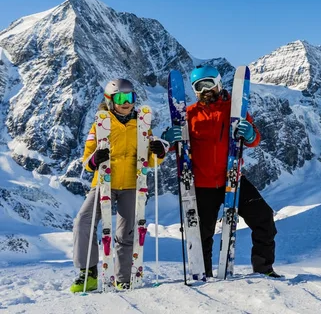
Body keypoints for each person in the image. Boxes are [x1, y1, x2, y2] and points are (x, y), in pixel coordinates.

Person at [163, 65, 280, 278]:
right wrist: (169, 139)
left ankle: (263, 269)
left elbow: (254, 141)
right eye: (200, 86)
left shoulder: (234, 110)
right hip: (202, 184)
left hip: (232, 179)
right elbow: (173, 145)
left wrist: (251, 134)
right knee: (202, 234)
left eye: (209, 84)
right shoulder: (189, 114)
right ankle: (203, 274)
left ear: (219, 83)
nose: (206, 90)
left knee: (264, 218)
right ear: (195, 90)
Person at [70, 79, 166, 292]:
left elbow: (150, 160)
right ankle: (89, 272)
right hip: (104, 183)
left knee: (126, 232)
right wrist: (96, 159)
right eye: (120, 98)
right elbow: (87, 161)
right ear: (109, 100)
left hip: (132, 184)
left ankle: (123, 277)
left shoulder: (141, 124)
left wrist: (158, 152)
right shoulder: (101, 124)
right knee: (83, 222)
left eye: (130, 97)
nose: (126, 103)